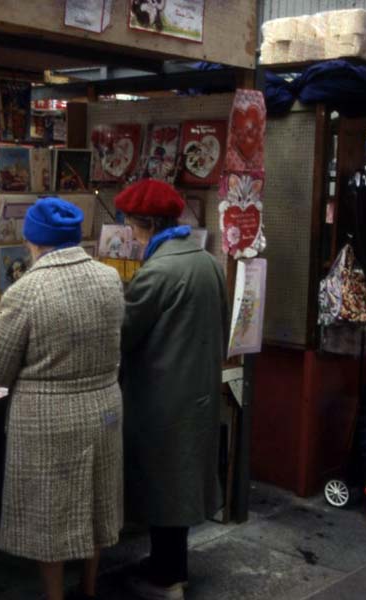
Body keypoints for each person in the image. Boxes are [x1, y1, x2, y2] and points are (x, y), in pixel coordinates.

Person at [0, 197, 125, 600]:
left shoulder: (25, 292)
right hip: (105, 409)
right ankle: (91, 589)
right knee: (97, 504)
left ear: (33, 241)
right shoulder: (109, 278)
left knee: (51, 517)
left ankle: (55, 596)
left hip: (49, 418)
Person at [117, 180, 229, 600]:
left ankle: (168, 579)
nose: (128, 232)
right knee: (179, 483)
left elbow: (125, 334)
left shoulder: (158, 271)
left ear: (142, 223)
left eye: (129, 223)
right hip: (197, 389)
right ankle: (168, 565)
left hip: (162, 396)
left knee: (164, 486)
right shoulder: (207, 261)